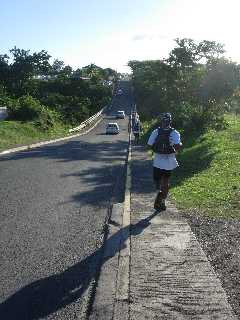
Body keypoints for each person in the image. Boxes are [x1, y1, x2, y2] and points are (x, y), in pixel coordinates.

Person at [147, 112, 182, 211]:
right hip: (169, 161)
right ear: (170, 121)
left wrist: (156, 148)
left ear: (161, 121)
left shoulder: (156, 132)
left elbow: (149, 145)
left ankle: (160, 197)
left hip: (158, 160)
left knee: (158, 182)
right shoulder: (175, 133)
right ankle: (161, 199)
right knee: (166, 182)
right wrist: (179, 146)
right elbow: (178, 146)